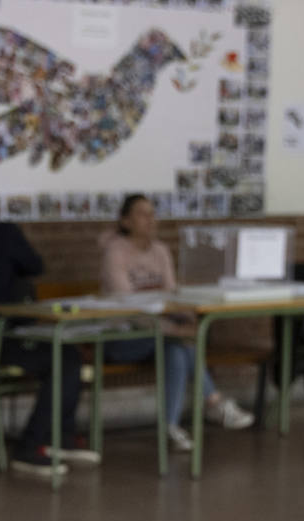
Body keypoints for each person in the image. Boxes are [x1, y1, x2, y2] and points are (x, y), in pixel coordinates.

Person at [0, 184, 97, 476]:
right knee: (66, 358)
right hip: (3, 338)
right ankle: (32, 445)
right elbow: (35, 265)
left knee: (65, 357)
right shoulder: (6, 234)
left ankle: (59, 438)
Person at [99, 193, 254, 450]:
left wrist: (187, 318)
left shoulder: (160, 251)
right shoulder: (114, 253)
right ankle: (213, 402)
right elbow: (129, 307)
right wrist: (175, 328)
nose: (150, 220)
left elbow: (171, 296)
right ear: (125, 221)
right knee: (178, 341)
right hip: (120, 335)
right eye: (142, 214)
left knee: (177, 350)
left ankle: (169, 428)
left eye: (152, 213)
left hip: (160, 335)